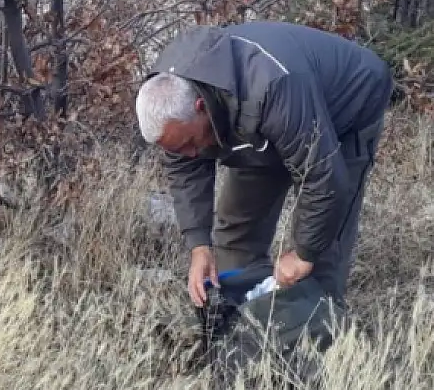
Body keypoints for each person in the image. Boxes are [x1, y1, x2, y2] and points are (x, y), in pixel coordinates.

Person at [134, 20, 394, 310]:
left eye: (190, 144)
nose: (191, 154)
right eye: (178, 149)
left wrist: (303, 254)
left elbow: (324, 179)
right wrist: (198, 245)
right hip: (264, 121)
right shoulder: (173, 105)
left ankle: (316, 329)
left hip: (348, 103)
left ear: (200, 107)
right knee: (236, 228)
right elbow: (185, 171)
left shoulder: (271, 85)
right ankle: (244, 320)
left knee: (321, 247)